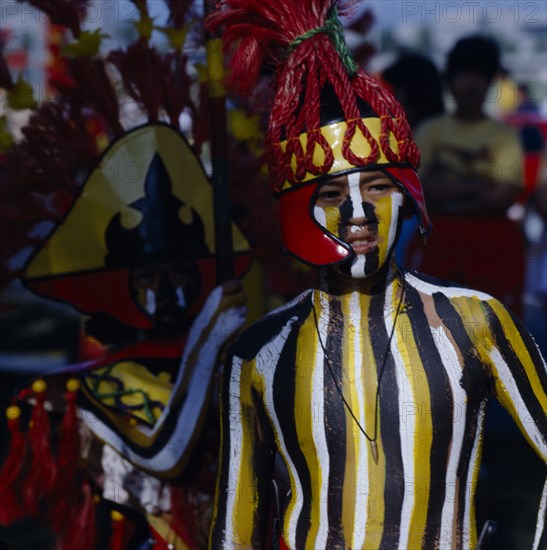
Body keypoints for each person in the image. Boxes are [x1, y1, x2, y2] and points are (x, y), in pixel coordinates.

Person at [206, 2, 546, 549]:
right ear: (298, 211)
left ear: (406, 196)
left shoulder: (476, 322)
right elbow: (234, 530)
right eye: (332, 195)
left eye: (378, 188)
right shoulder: (259, 352)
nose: (358, 213)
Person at [0, 4, 251, 549]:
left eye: (178, 272)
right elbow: (165, 452)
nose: (168, 291)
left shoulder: (245, 354)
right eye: (149, 277)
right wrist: (211, 337)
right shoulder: (99, 388)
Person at [406, 35, 526, 317]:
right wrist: (477, 186)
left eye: (479, 75)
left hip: (494, 245)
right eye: (463, 74)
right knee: (432, 323)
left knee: (494, 329)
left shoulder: (504, 136)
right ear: (451, 80)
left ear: (489, 82)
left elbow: (505, 195)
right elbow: (419, 187)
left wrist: (446, 195)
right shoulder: (429, 130)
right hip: (438, 242)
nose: (471, 83)